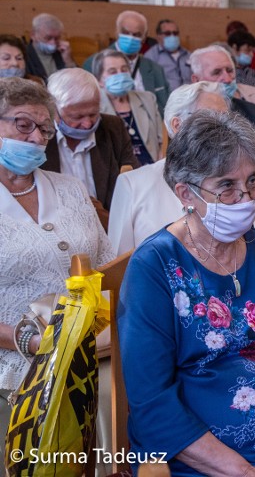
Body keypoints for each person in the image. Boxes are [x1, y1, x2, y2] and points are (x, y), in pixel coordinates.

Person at [118, 110, 255, 476]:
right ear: (185, 193)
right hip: (195, 458)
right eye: (226, 186)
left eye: (253, 181)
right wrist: (244, 472)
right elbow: (151, 400)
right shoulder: (154, 266)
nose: (246, 198)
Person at [0, 77, 115, 432]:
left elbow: (108, 266)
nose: (36, 137)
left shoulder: (69, 187)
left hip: (89, 360)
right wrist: (31, 341)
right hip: (14, 374)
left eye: (46, 129)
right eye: (24, 125)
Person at [108, 82, 255, 254]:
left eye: (226, 120)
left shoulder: (241, 177)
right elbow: (119, 264)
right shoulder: (133, 185)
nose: (225, 132)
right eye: (210, 123)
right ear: (177, 126)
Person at [43, 67, 139, 212]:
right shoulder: (40, 136)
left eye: (93, 114)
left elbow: (134, 180)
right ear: (54, 110)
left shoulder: (113, 128)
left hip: (108, 222)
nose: (87, 124)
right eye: (77, 117)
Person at [189, 46, 255, 181]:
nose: (227, 78)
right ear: (196, 80)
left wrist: (233, 173)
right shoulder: (187, 117)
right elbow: (192, 169)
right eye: (217, 72)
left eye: (230, 70)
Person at [83, 10, 171, 116]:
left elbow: (165, 110)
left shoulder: (155, 69)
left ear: (144, 37)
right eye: (125, 33)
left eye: (136, 34)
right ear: (117, 33)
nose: (130, 38)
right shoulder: (92, 64)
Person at [93, 50, 162, 166]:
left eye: (124, 70)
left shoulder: (147, 99)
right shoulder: (95, 107)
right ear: (99, 80)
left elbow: (162, 140)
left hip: (153, 168)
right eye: (113, 72)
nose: (121, 75)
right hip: (118, 174)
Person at [143, 19, 193, 94]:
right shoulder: (151, 56)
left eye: (175, 33)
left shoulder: (188, 55)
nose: (172, 36)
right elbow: (147, 83)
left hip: (189, 98)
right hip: (166, 100)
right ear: (158, 36)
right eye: (167, 33)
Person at [227, 30, 255, 108]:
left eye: (252, 51)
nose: (251, 54)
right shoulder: (228, 74)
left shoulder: (251, 72)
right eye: (247, 51)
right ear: (234, 48)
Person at [25, 13, 75, 82]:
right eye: (48, 38)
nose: (53, 43)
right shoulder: (24, 55)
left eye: (57, 38)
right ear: (33, 35)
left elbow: (76, 81)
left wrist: (68, 60)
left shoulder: (61, 52)